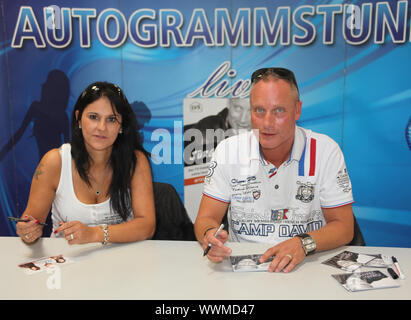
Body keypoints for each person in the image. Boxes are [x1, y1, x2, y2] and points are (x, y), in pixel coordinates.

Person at [194, 67, 355, 273]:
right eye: (259, 110)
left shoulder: (325, 150)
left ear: (297, 110)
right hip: (244, 268)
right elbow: (206, 218)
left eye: (279, 111)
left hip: (307, 265)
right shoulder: (228, 150)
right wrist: (210, 236)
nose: (267, 123)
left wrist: (302, 244)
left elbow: (344, 227)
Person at [15, 82, 155, 245]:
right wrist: (28, 232)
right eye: (93, 117)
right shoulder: (54, 161)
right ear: (79, 119)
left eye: (111, 119)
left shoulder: (135, 161)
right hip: (66, 262)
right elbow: (31, 222)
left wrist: (95, 234)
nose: (102, 127)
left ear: (121, 126)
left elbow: (147, 227)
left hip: (122, 261)